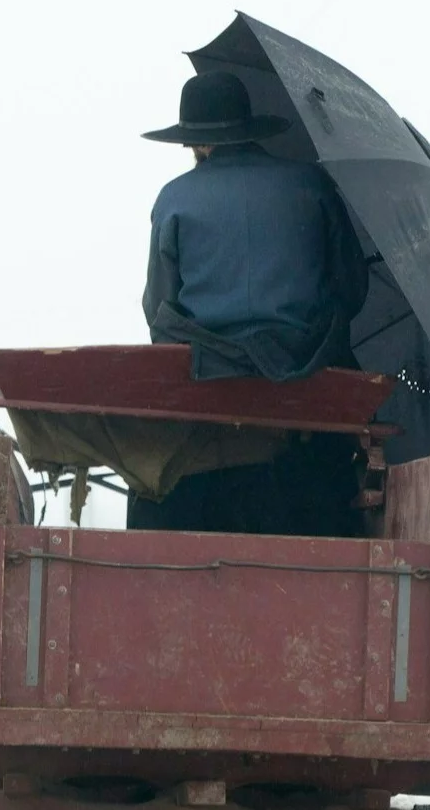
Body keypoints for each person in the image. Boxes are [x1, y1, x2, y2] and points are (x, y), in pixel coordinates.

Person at [132, 70, 370, 536]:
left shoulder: (174, 199)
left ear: (198, 144)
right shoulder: (312, 185)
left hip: (206, 378)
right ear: (247, 129)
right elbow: (351, 290)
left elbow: (159, 309)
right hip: (309, 374)